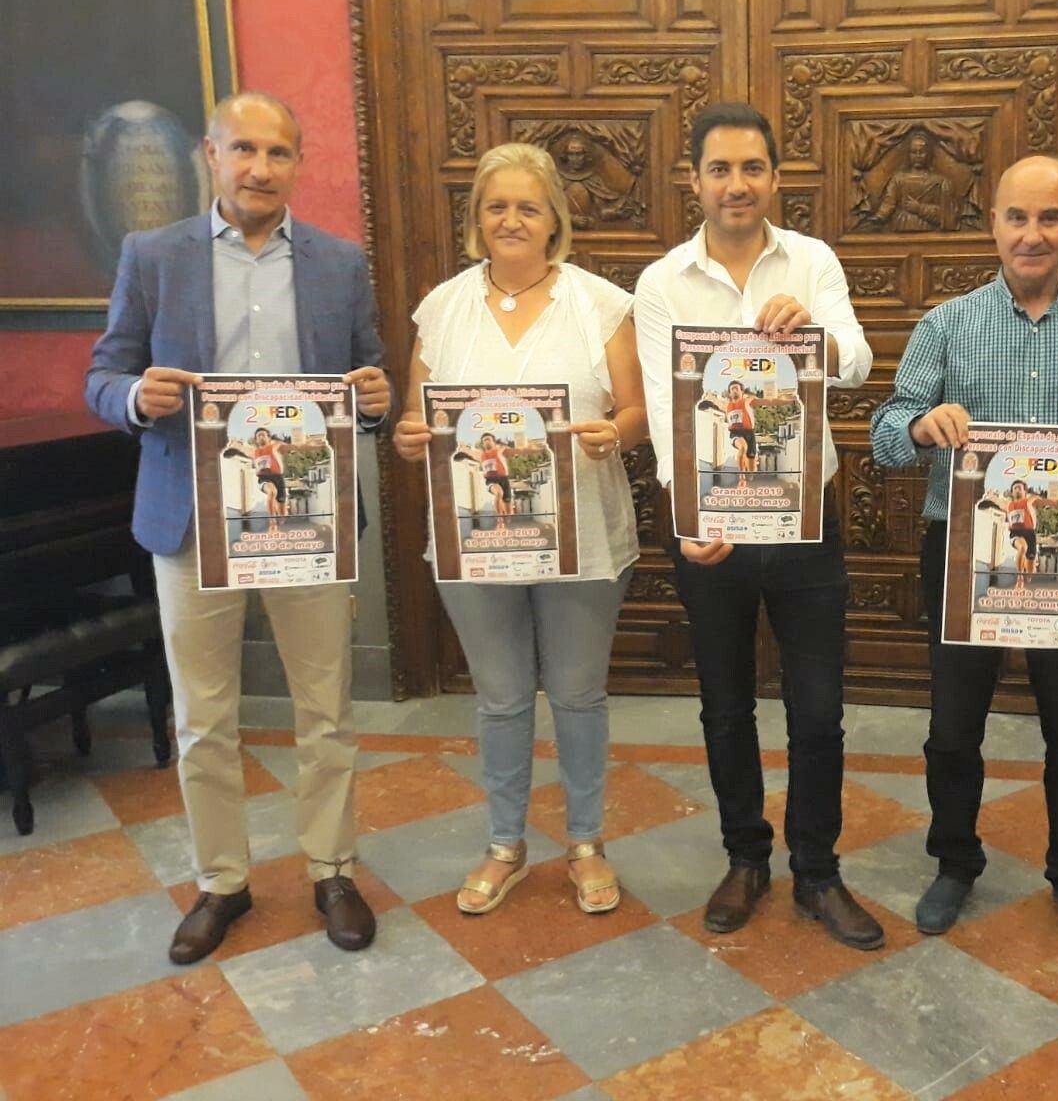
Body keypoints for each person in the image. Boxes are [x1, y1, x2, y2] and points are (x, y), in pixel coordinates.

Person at [84, 91, 392, 963]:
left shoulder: (339, 263)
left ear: (299, 163)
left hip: (306, 518)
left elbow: (370, 378)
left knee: (325, 710)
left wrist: (378, 399)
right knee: (205, 716)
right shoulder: (152, 255)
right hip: (190, 520)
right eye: (243, 149)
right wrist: (131, 399)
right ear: (210, 157)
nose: (260, 168)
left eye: (278, 153)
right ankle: (222, 881)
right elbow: (105, 369)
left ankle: (332, 869)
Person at [869, 155, 1058, 945]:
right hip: (964, 552)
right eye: (1018, 217)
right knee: (953, 727)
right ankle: (954, 861)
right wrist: (918, 424)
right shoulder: (946, 325)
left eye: (1050, 218)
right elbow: (884, 435)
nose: (1032, 235)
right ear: (995, 225)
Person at [633, 102, 883, 950]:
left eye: (752, 168)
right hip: (712, 529)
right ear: (693, 180)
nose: (736, 184)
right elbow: (671, 418)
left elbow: (856, 364)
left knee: (818, 710)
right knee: (725, 706)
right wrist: (686, 515)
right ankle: (746, 857)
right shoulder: (663, 282)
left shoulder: (811, 261)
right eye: (719, 169)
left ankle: (818, 870)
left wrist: (812, 328)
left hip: (805, 522)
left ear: (775, 177)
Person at [392, 141, 646, 917]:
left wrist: (617, 433)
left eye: (527, 207)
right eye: (496, 206)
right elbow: (416, 416)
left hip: (586, 538)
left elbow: (637, 415)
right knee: (500, 700)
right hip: (475, 540)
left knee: (577, 695)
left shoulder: (602, 304)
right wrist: (408, 435)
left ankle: (585, 843)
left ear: (553, 221)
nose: (511, 219)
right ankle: (504, 844)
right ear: (477, 219)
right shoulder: (441, 308)